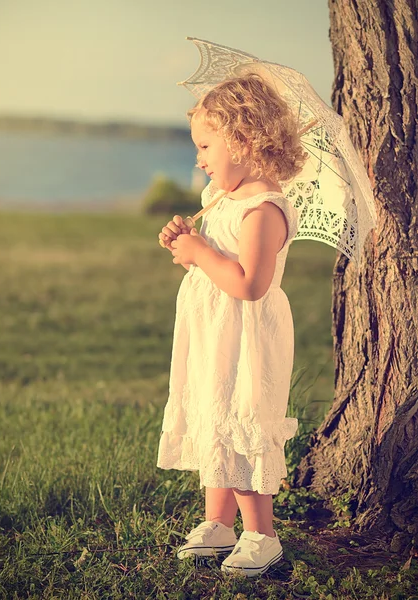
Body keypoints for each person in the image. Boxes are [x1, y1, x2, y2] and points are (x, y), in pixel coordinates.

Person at [156, 73, 308, 578]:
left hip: (246, 337)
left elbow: (249, 284)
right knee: (213, 417)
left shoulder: (263, 209)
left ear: (243, 142)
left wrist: (200, 254)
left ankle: (261, 535)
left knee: (242, 424)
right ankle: (217, 523)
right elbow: (209, 260)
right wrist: (186, 244)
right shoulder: (223, 198)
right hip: (212, 333)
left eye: (205, 145)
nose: (198, 158)